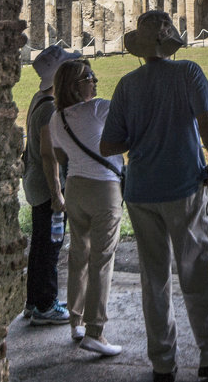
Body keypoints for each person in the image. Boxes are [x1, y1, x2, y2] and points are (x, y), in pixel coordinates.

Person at [100, 11, 208, 382]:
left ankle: (163, 363)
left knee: (154, 277)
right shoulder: (188, 73)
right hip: (182, 186)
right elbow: (206, 124)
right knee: (198, 268)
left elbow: (109, 143)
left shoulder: (127, 85)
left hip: (141, 190)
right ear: (171, 44)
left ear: (141, 49)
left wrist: (144, 134)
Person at [50, 59, 124, 356]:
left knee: (79, 255)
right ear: (74, 87)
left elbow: (59, 155)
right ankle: (95, 331)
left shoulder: (57, 118)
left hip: (76, 188)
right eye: (88, 78)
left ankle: (76, 321)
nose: (95, 81)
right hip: (104, 187)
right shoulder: (99, 108)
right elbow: (127, 130)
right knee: (102, 260)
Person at [21, 44, 81, 326]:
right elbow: (48, 154)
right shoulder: (49, 109)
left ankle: (34, 301)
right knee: (51, 244)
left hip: (36, 182)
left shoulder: (38, 98)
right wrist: (57, 194)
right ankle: (46, 304)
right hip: (46, 186)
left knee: (40, 244)